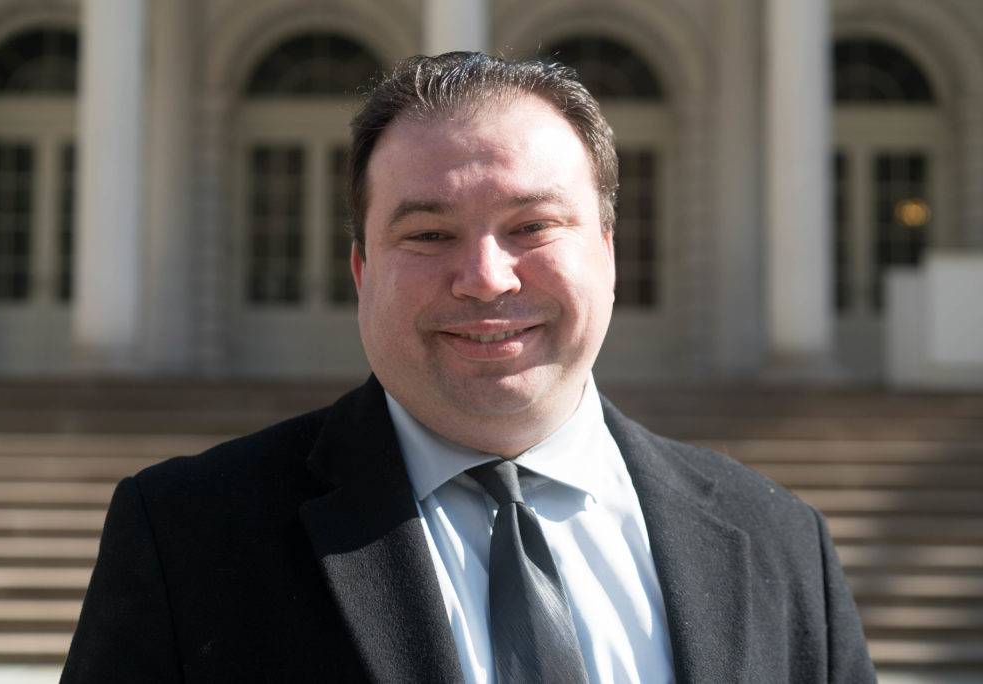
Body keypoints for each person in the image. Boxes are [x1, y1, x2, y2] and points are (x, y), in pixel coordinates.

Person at [61, 52, 875, 683]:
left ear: (608, 255)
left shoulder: (778, 542)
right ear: (360, 272)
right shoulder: (186, 538)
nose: (487, 276)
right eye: (427, 234)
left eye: (533, 225)